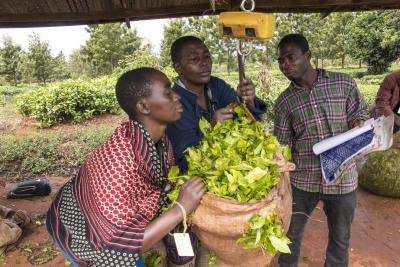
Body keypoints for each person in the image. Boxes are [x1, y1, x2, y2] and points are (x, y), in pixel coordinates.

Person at [46, 67, 205, 267]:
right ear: (144, 107)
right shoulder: (121, 163)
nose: (177, 96)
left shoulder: (157, 137)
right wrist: (179, 209)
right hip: (82, 232)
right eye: (167, 92)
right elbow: (116, 246)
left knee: (181, 243)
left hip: (119, 220)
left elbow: (162, 185)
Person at [273, 34, 369, 267]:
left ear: (308, 56)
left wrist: (359, 126)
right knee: (290, 234)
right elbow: (282, 145)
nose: (286, 64)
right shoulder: (285, 101)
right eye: (281, 60)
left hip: (343, 178)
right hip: (303, 180)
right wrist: (278, 167)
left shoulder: (344, 84)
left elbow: (360, 116)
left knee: (340, 236)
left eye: (291, 57)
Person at [166, 36, 267, 172]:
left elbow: (247, 121)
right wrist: (212, 127)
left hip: (229, 166)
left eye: (207, 56)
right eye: (194, 59)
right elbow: (186, 159)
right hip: (197, 179)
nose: (204, 63)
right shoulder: (174, 104)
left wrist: (249, 101)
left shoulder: (216, 85)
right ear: (178, 67)